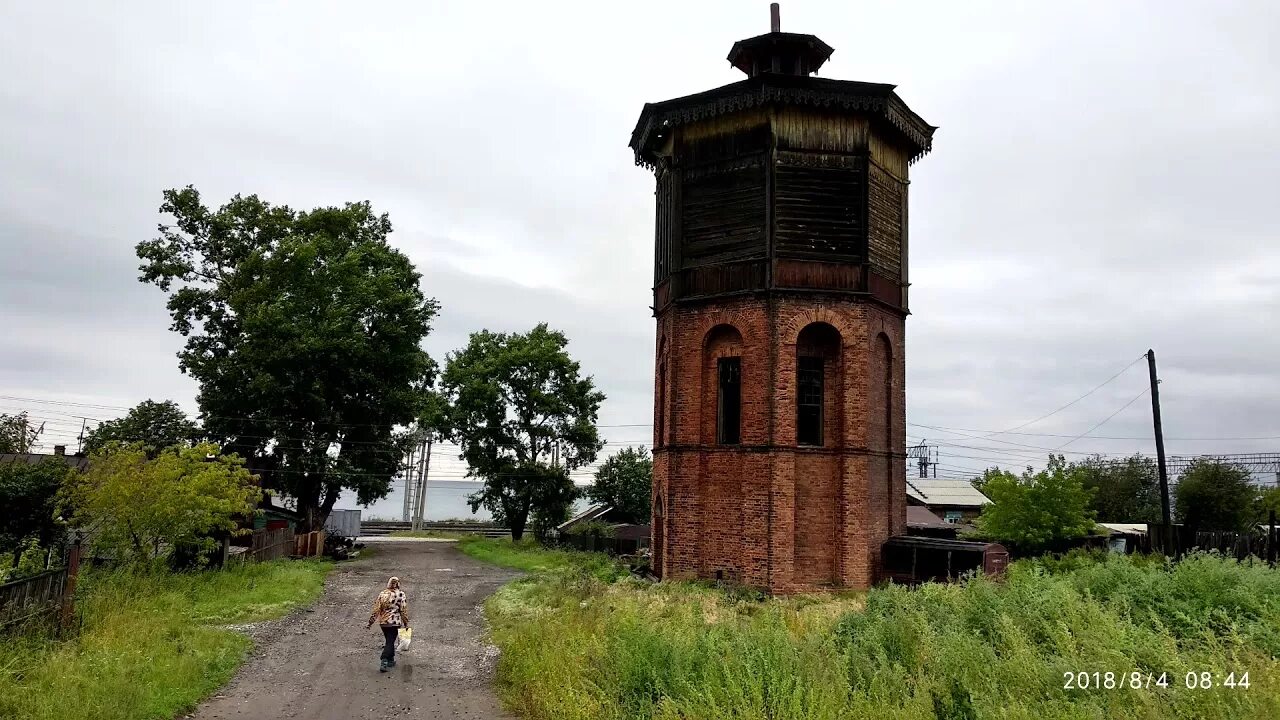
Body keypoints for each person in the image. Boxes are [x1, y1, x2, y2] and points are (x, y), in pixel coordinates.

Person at [366, 576, 410, 672]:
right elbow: (403, 610)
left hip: (383, 622)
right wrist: (406, 623)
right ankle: (384, 659)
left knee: (389, 640)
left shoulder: (382, 594)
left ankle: (391, 660)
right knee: (390, 641)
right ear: (398, 584)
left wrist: (370, 622)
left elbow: (376, 609)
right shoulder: (401, 594)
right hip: (395, 622)